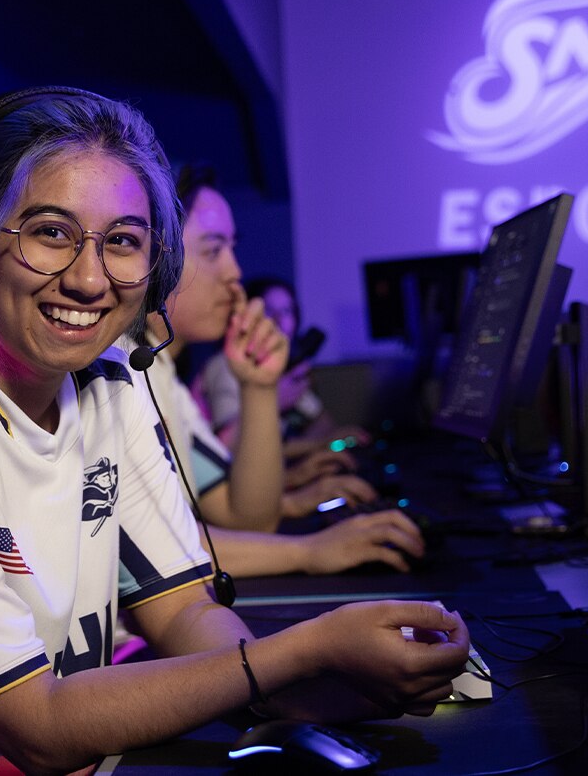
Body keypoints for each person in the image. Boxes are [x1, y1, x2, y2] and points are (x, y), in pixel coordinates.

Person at [0, 89, 469, 774]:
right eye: (51, 233)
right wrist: (302, 653)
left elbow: (182, 610)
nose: (89, 280)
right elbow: (38, 728)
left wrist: (323, 692)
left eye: (123, 242)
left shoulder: (114, 380)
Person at [120, 167, 416, 575]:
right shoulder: (120, 372)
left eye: (232, 249)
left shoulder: (163, 375)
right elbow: (155, 546)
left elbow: (247, 515)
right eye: (212, 251)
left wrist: (259, 386)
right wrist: (309, 552)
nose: (234, 273)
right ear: (152, 260)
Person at [200, 276, 371, 458]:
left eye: (287, 311)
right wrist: (275, 399)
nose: (280, 320)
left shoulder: (286, 368)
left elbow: (324, 427)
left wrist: (330, 442)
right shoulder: (225, 365)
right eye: (269, 310)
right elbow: (228, 446)